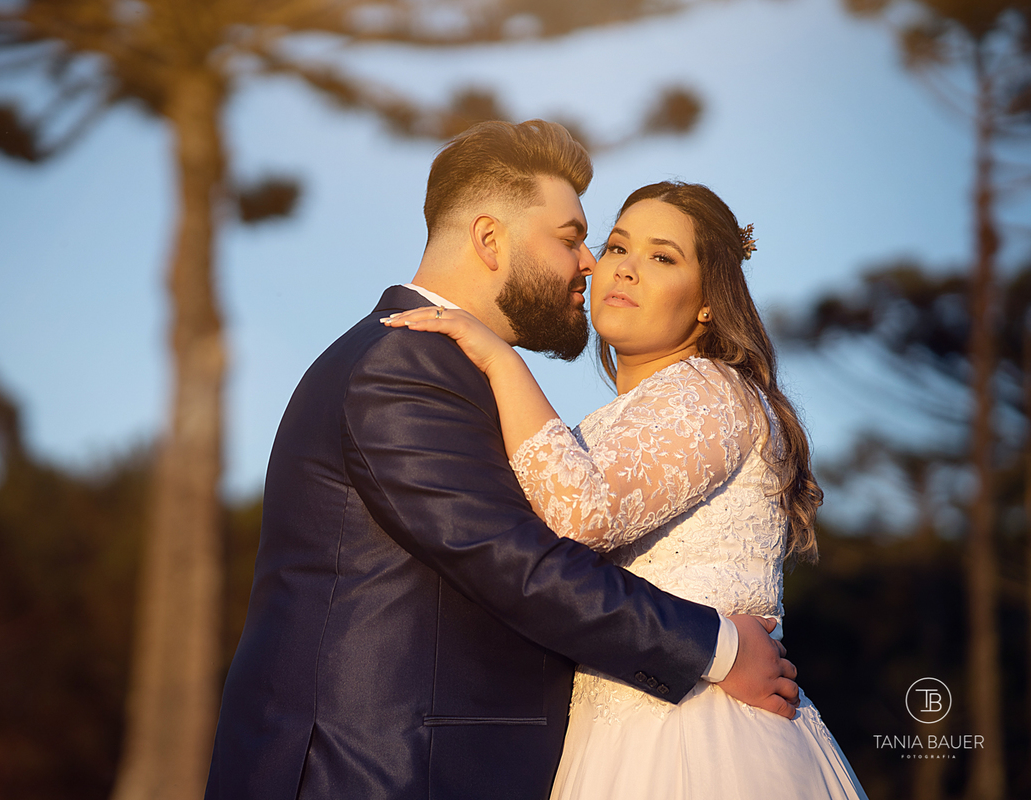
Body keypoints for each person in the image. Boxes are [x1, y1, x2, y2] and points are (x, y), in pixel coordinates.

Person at [204, 121, 799, 800]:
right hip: (372, 773)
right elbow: (518, 562)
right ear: (491, 241)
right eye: (576, 240)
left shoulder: (456, 373)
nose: (591, 265)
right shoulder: (401, 366)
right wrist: (718, 648)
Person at [383, 180, 868, 798]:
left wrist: (501, 360)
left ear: (708, 303)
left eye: (663, 257)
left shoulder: (711, 391)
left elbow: (579, 516)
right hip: (613, 728)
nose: (627, 269)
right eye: (616, 247)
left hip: (699, 737)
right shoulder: (609, 424)